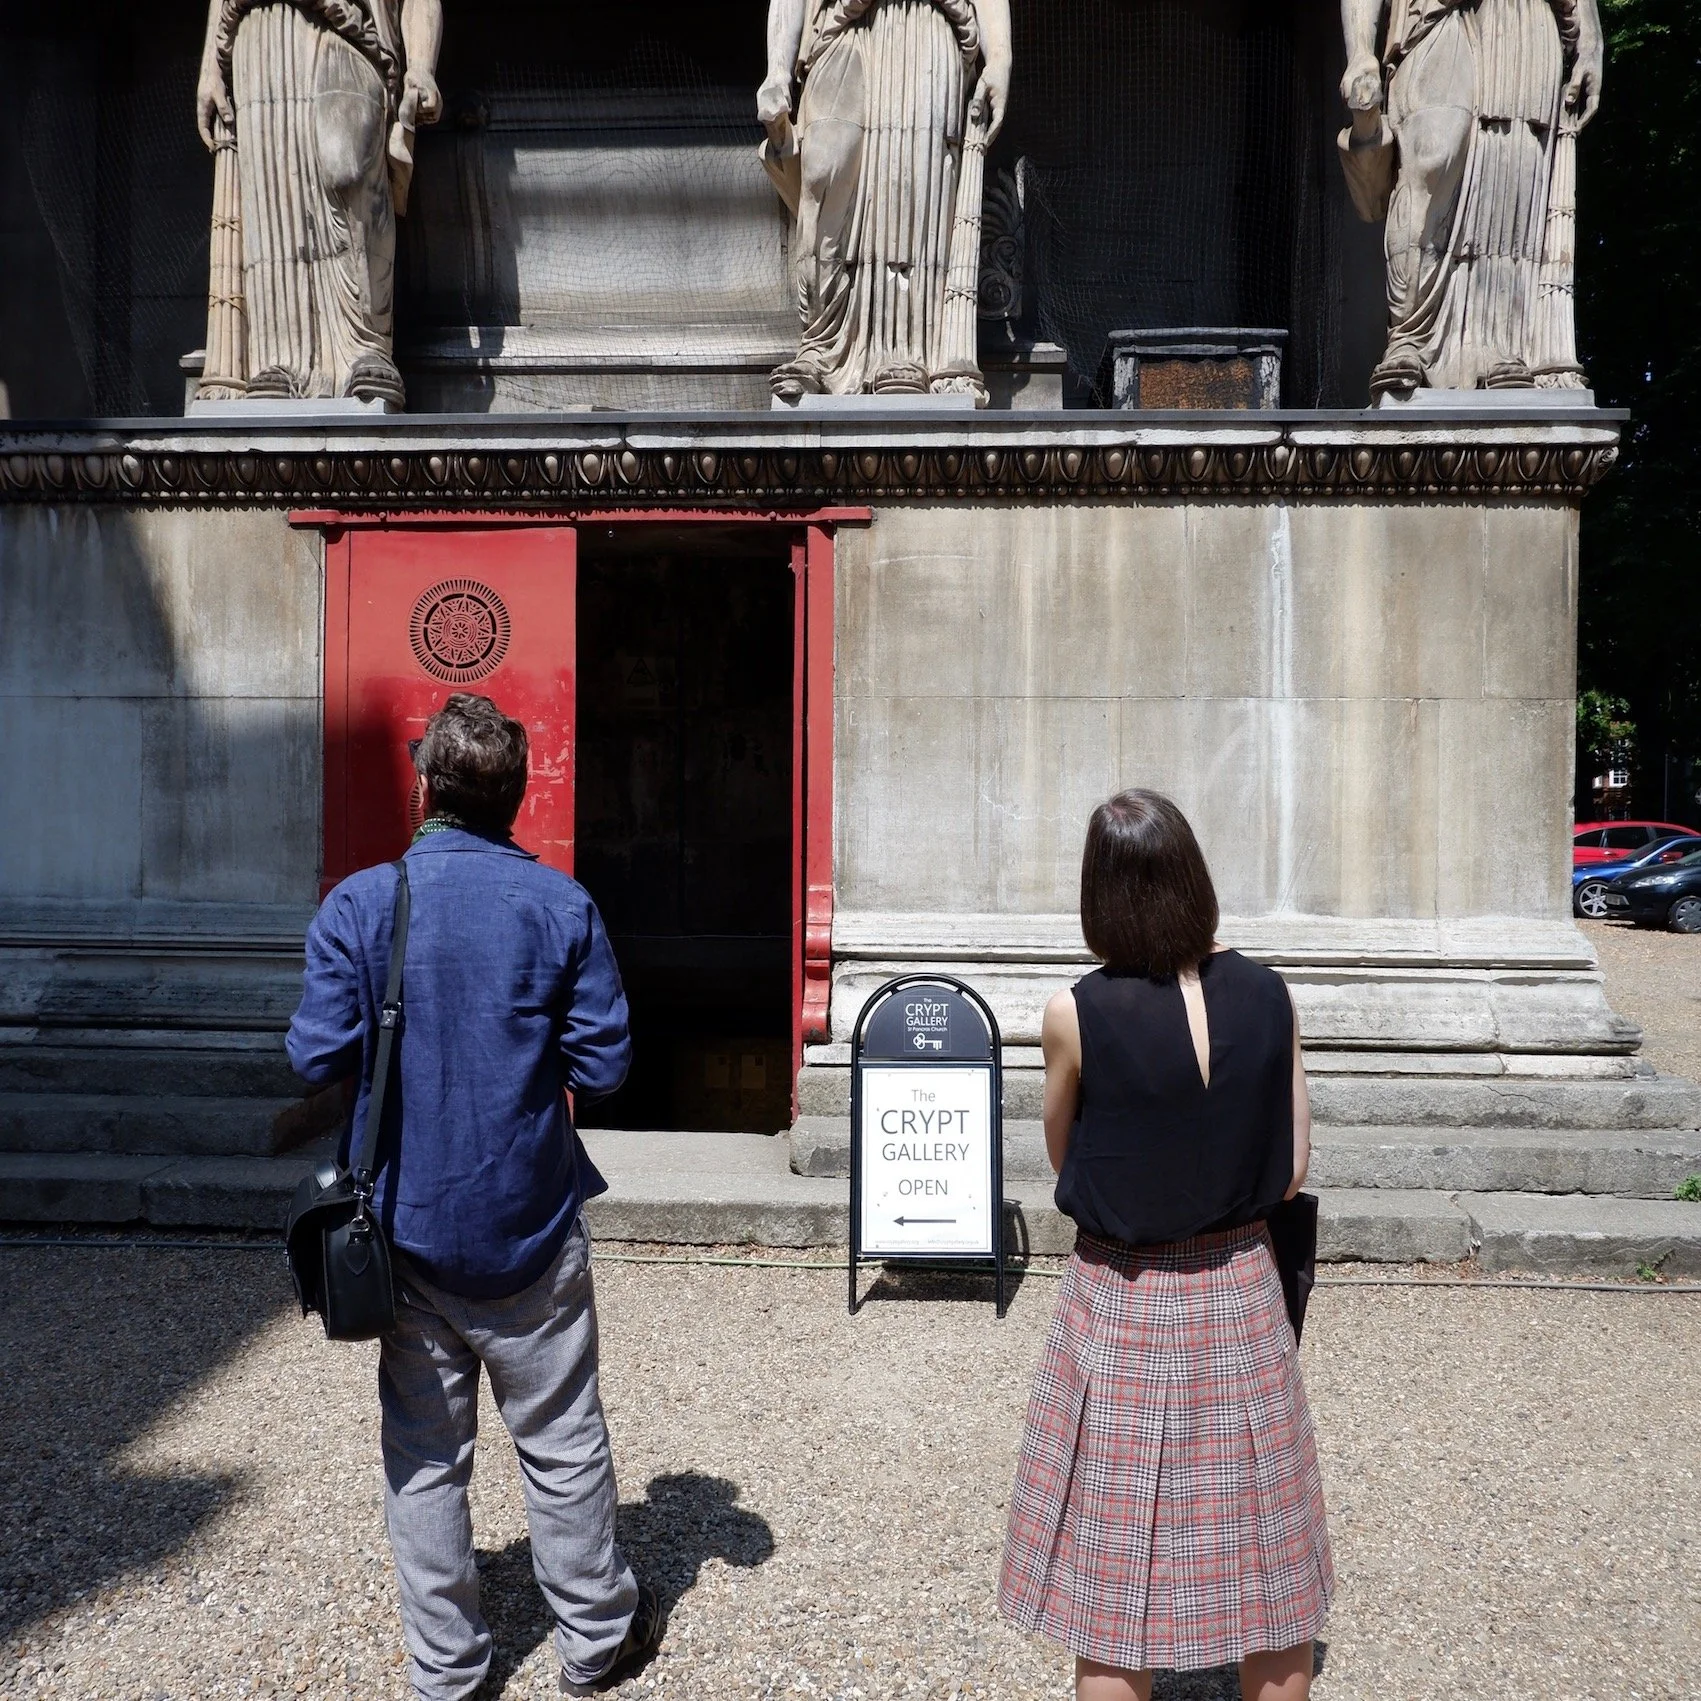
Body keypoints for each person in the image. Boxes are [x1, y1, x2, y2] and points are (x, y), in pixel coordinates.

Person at [286, 693, 662, 1700]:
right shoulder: (561, 906)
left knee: (423, 1453)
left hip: (406, 1223)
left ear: (424, 787)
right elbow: (609, 1064)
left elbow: (313, 1052)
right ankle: (592, 1641)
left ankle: (448, 1668)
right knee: (562, 1436)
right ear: (517, 797)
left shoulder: (363, 906)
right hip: (529, 1218)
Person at [998, 790, 1333, 1701]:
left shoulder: (1073, 1012)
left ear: (1100, 893)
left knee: (1113, 1596)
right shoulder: (1270, 995)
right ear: (1192, 874)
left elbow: (1068, 1151)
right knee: (1270, 1582)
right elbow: (1293, 1166)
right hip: (1239, 1288)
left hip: (1124, 1292)